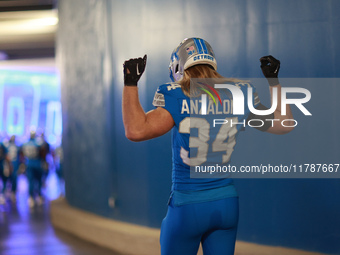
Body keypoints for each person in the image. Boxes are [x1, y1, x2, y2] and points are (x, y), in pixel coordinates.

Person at [122, 38, 294, 255]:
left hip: (188, 204)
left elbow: (135, 130)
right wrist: (274, 81)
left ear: (178, 66)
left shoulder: (176, 94)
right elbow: (283, 124)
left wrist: (130, 83)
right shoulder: (238, 93)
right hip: (226, 203)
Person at [22, 131, 43, 207]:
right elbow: (42, 152)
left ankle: (31, 197)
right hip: (36, 163)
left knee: (31, 181)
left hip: (29, 163)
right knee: (38, 181)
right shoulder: (38, 143)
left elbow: (23, 154)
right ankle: (38, 196)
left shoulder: (25, 144)